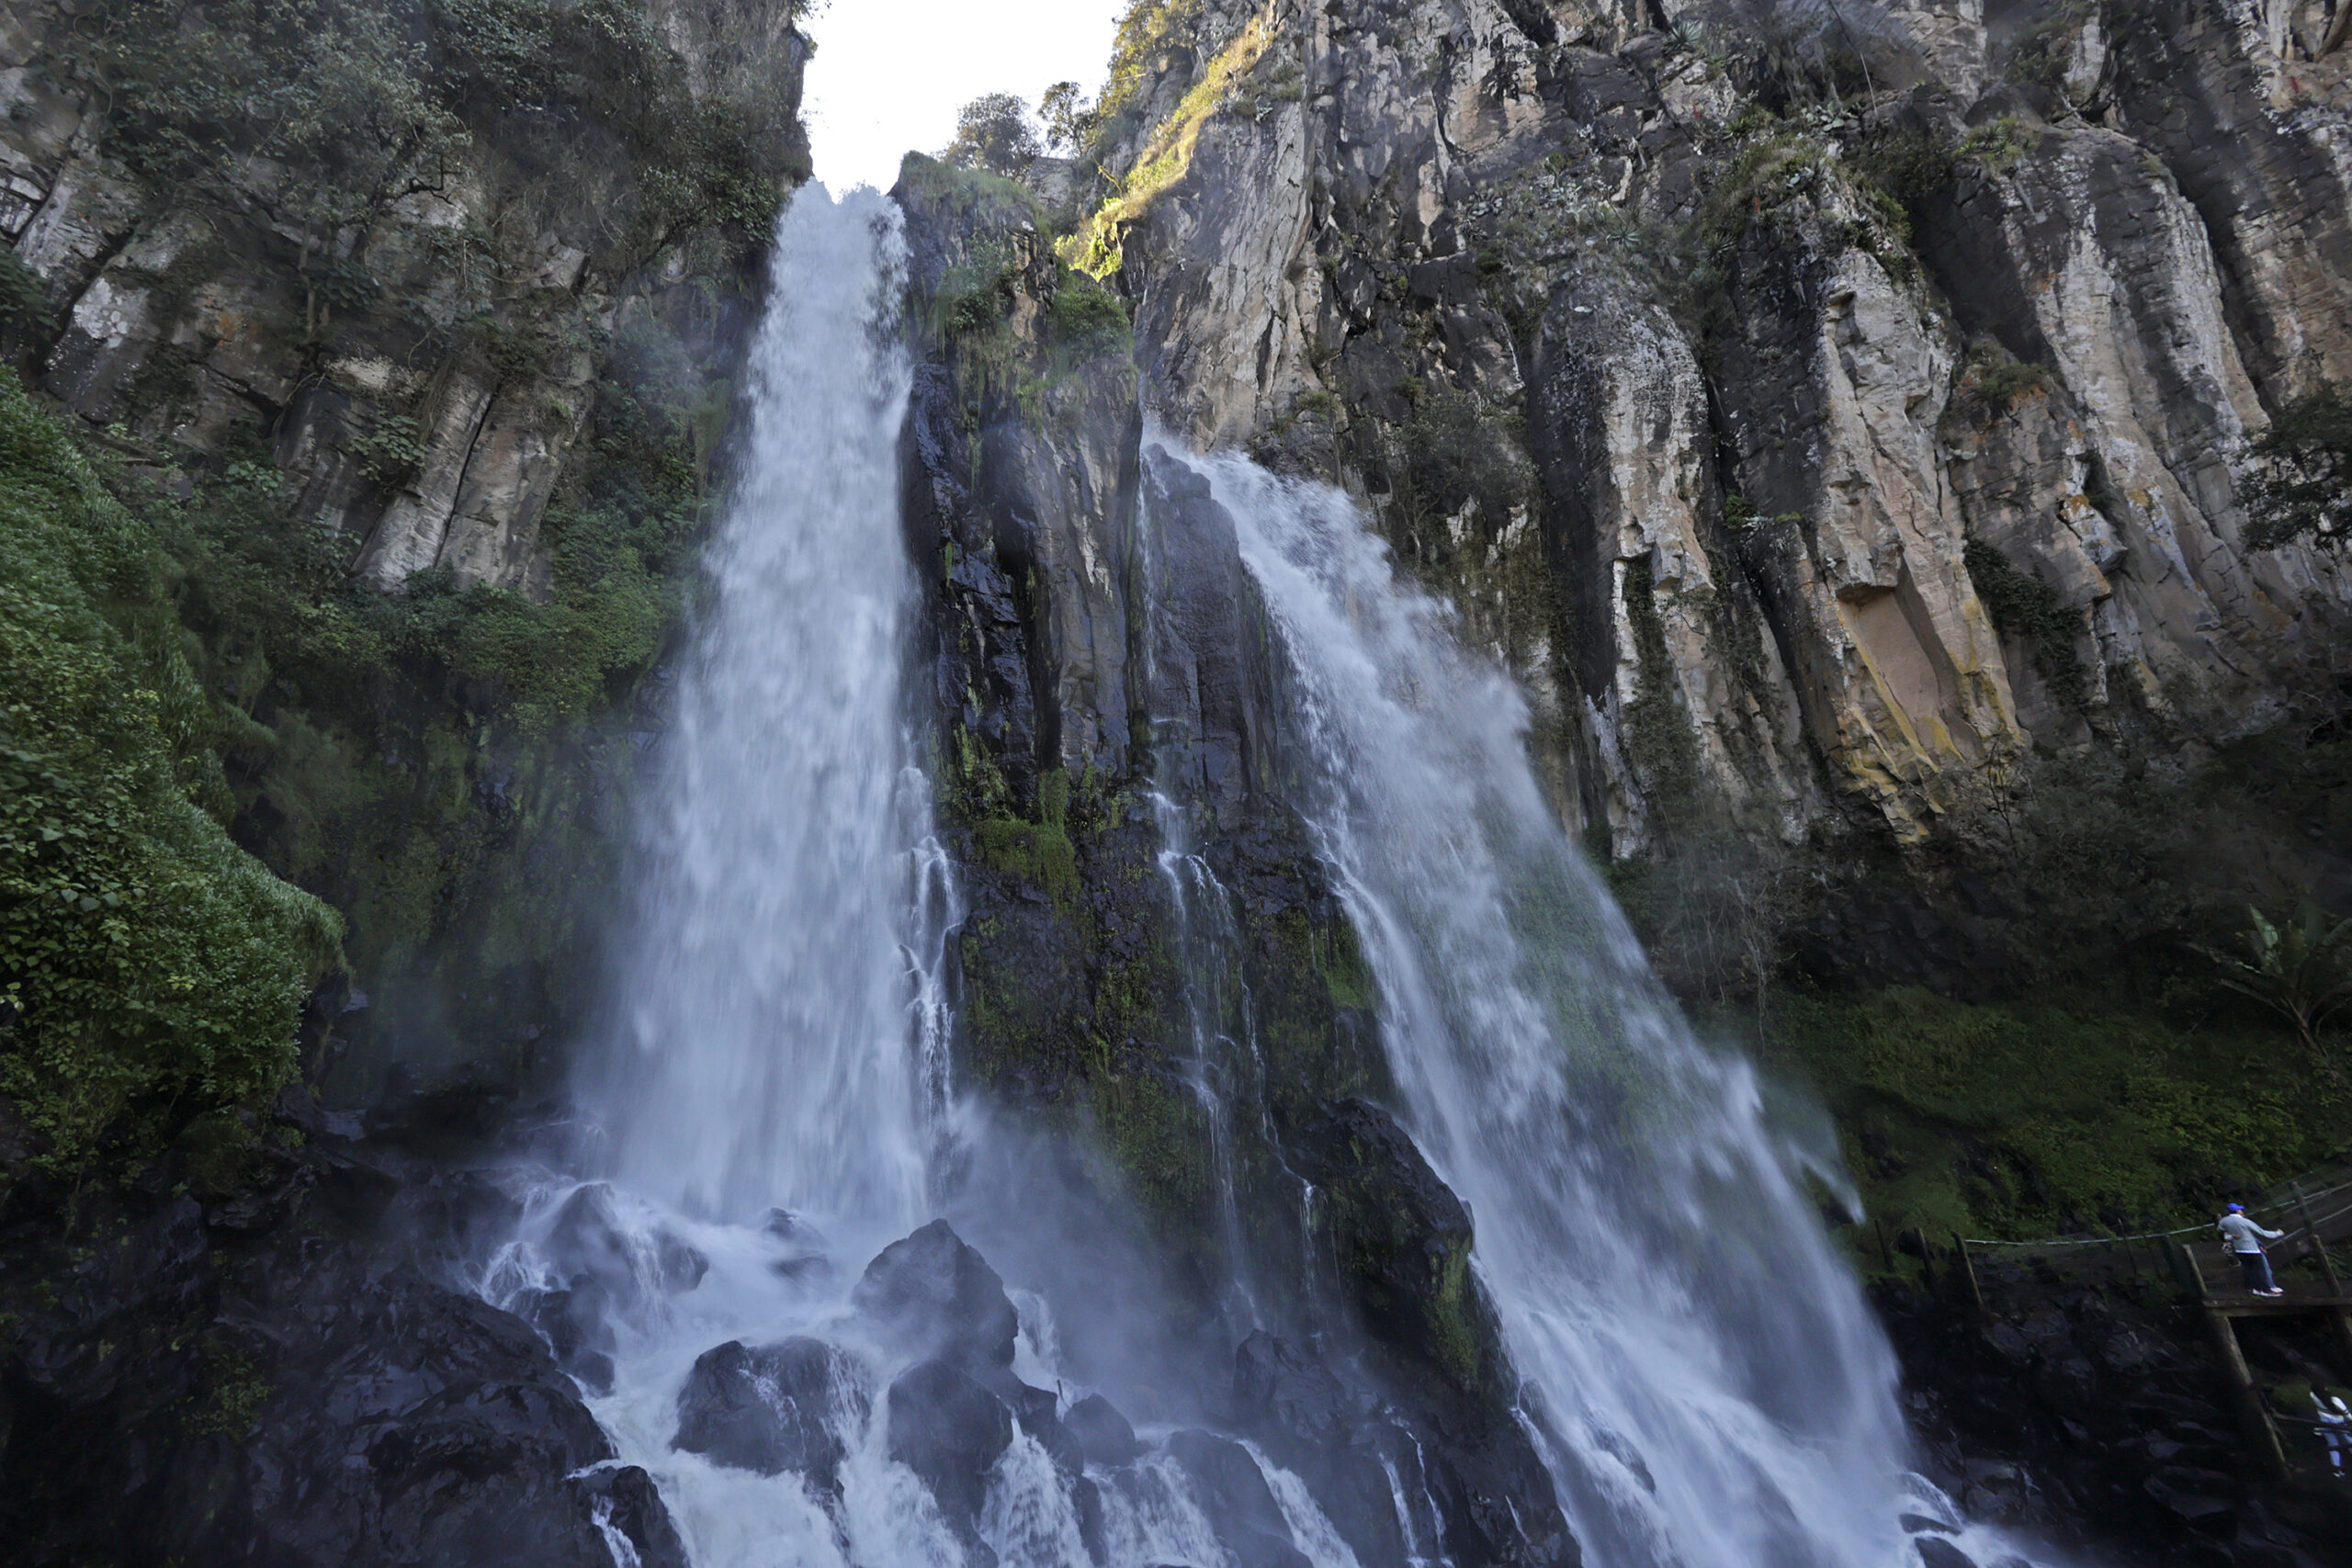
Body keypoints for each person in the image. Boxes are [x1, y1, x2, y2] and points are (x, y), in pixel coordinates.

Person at [2218, 1202, 2285, 1296]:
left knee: (2248, 1270)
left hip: (2239, 1250)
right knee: (2260, 1270)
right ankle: (2264, 1290)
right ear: (2237, 1211)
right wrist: (2277, 1233)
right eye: (2240, 1209)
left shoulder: (2224, 1221)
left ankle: (2252, 1289)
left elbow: (2221, 1232)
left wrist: (2232, 1236)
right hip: (2252, 1249)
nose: (2242, 1211)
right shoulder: (2245, 1221)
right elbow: (2262, 1232)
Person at [2316, 1392, 2351, 1479]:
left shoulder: (2316, 1398)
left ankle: (2337, 1470)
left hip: (2325, 1423)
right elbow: (2346, 1413)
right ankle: (2338, 1469)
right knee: (2349, 1441)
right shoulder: (2336, 1400)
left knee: (2333, 1446)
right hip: (2339, 1423)